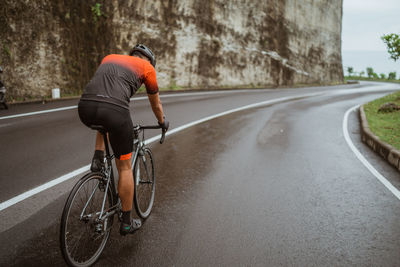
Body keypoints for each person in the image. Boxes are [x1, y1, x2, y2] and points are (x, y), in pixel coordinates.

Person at [78, 44, 169, 235]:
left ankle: (97, 158)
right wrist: (162, 122)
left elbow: (103, 92)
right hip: (114, 111)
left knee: (105, 122)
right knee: (125, 167)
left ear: (133, 55)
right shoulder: (147, 68)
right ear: (149, 60)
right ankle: (127, 222)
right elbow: (156, 104)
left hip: (85, 106)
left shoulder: (110, 57)